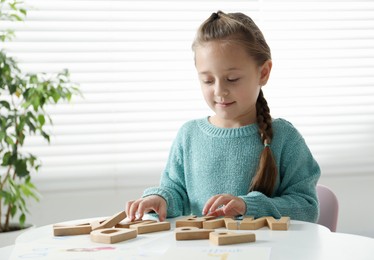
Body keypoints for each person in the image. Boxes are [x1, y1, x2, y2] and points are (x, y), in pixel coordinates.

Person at [126, 11, 320, 223]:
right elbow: (175, 193)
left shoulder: (285, 138)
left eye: (232, 79)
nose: (220, 91)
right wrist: (159, 199)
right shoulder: (188, 135)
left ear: (263, 73)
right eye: (208, 81)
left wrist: (248, 206)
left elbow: (307, 207)